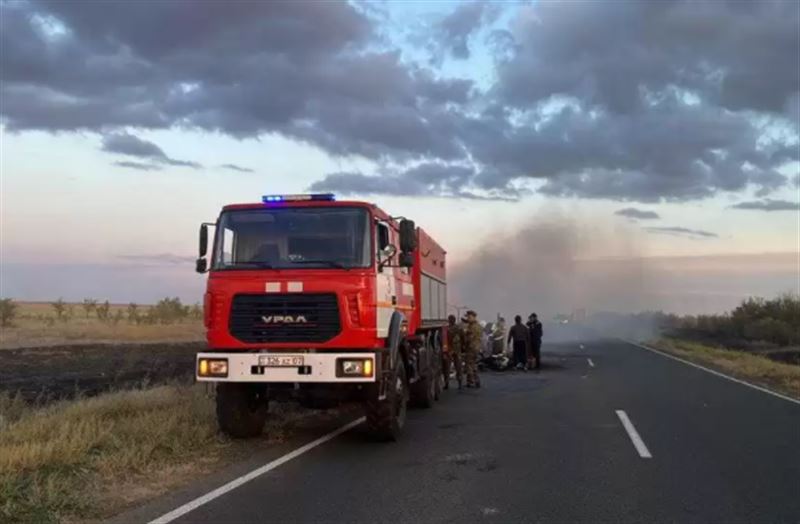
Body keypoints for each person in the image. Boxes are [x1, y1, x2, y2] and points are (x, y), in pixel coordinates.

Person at [443, 314, 464, 389]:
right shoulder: (459, 328)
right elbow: (462, 338)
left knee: (447, 367)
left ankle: (447, 383)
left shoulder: (447, 329)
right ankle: (460, 383)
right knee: (458, 367)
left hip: (450, 350)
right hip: (456, 349)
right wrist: (462, 347)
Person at [463, 310, 483, 388]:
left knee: (469, 364)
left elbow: (469, 338)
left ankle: (470, 381)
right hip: (476, 347)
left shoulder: (472, 327)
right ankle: (477, 380)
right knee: (474, 364)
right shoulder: (478, 326)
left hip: (471, 347)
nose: (468, 318)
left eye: (469, 317)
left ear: (473, 317)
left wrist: (465, 334)